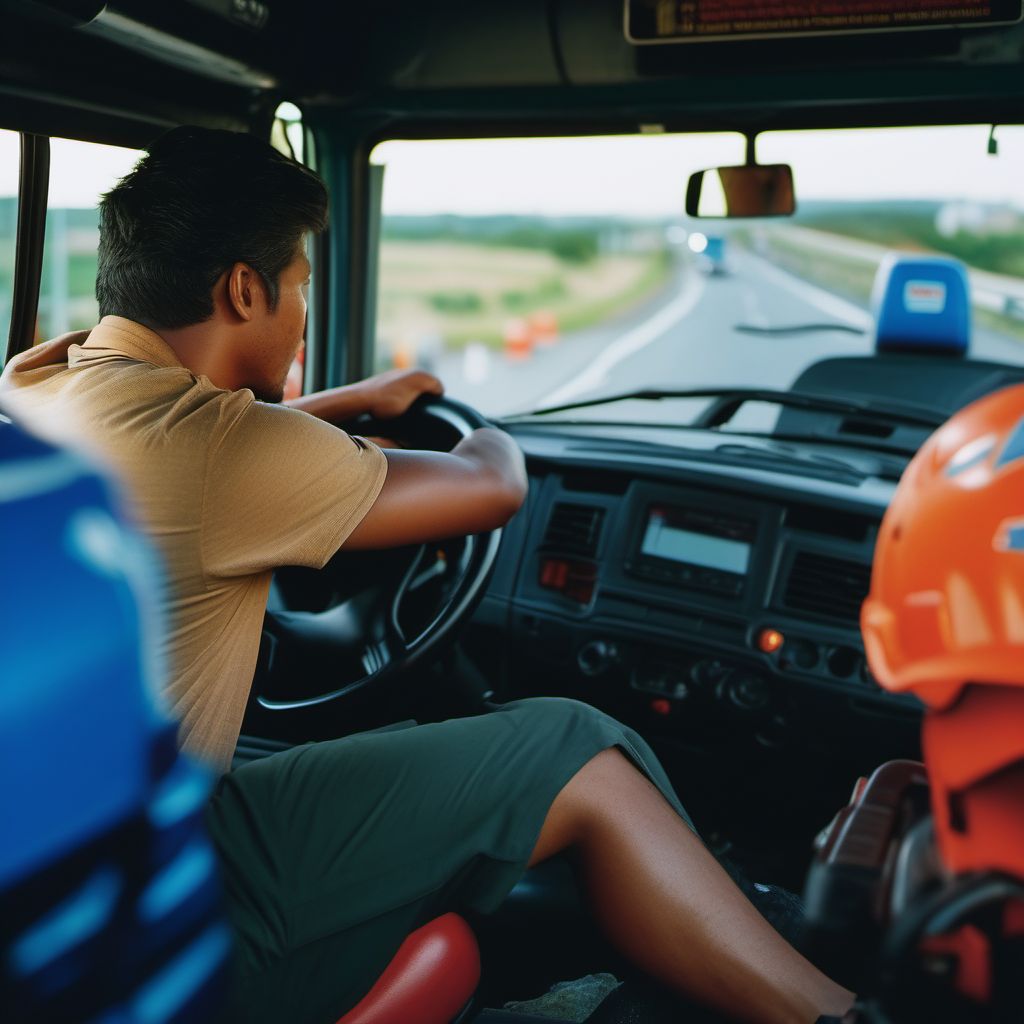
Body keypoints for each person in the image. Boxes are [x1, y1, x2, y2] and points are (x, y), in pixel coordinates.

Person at [0, 126, 854, 1024]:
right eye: (300, 288)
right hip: (163, 912)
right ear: (244, 289)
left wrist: (349, 406)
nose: (301, 316)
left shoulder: (36, 387)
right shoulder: (227, 449)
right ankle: (836, 1008)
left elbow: (188, 450)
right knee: (570, 749)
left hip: (55, 868)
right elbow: (493, 487)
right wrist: (481, 427)